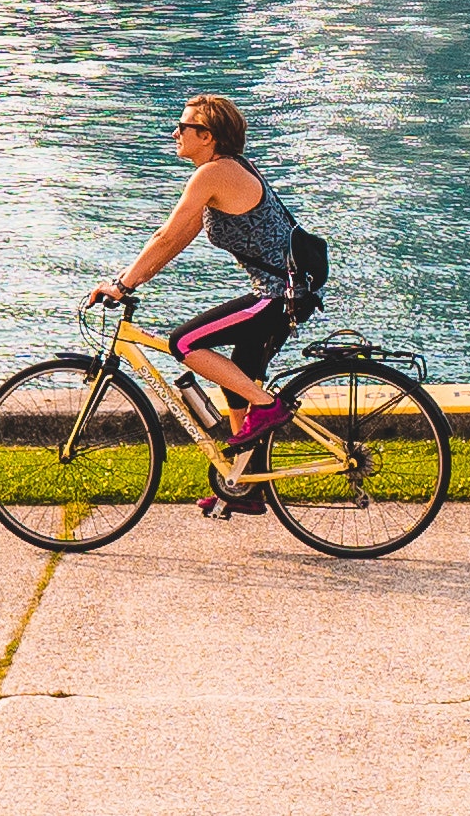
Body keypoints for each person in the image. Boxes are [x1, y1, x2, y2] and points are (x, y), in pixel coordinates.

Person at [97, 94, 313, 516]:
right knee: (237, 383)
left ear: (208, 136)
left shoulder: (214, 174)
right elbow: (175, 240)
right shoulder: (224, 172)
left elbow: (165, 237)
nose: (175, 133)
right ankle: (242, 484)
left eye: (184, 127)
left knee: (184, 343)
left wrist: (121, 285)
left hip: (275, 296)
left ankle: (270, 407)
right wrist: (134, 279)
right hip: (286, 292)